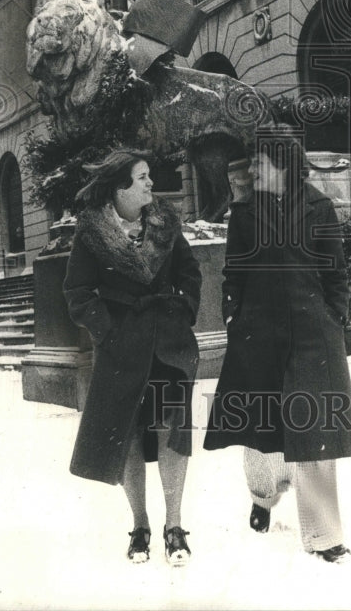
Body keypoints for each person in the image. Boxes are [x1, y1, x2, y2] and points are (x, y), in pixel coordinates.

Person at [204, 127, 351, 563]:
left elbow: (336, 273)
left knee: (315, 435)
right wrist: (233, 315)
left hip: (312, 333)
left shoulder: (318, 207)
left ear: (284, 167)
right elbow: (232, 275)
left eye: (261, 162)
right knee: (260, 432)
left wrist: (335, 317)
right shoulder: (244, 214)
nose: (253, 168)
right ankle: (263, 495)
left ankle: (324, 536)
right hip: (257, 334)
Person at [63, 148, 202, 566]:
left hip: (167, 344)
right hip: (121, 350)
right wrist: (108, 332)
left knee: (171, 430)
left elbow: (190, 273)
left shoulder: (164, 223)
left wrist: (183, 310)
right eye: (142, 177)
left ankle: (174, 526)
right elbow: (76, 292)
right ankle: (140, 525)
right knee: (126, 433)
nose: (150, 184)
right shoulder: (91, 232)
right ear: (121, 187)